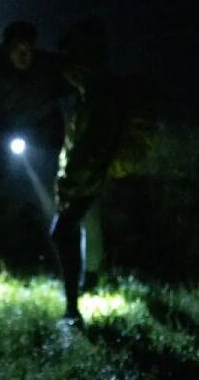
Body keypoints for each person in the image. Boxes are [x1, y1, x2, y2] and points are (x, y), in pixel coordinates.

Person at [52, 19, 156, 325]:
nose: (66, 68)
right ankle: (79, 295)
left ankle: (72, 310)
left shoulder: (99, 96)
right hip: (86, 180)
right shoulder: (91, 92)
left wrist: (69, 184)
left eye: (70, 58)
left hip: (85, 182)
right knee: (72, 232)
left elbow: (91, 149)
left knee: (61, 233)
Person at [0, 20, 66, 208]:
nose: (23, 54)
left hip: (44, 142)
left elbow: (69, 88)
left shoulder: (47, 66)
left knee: (46, 193)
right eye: (16, 47)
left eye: (27, 47)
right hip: (5, 142)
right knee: (8, 196)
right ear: (8, 48)